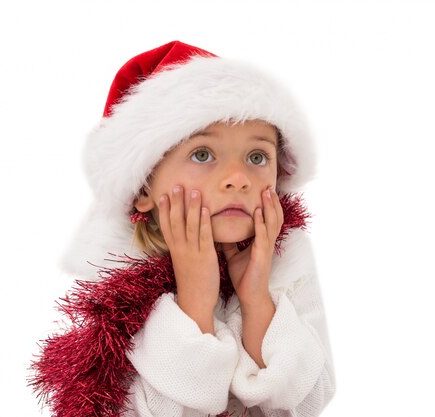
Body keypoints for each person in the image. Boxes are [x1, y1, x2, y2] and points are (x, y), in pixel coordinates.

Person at [31, 40, 335, 417]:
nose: (238, 178)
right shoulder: (122, 277)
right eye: (202, 154)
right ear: (143, 187)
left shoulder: (285, 252)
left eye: (257, 156)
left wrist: (256, 296)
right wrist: (195, 300)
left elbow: (308, 401)